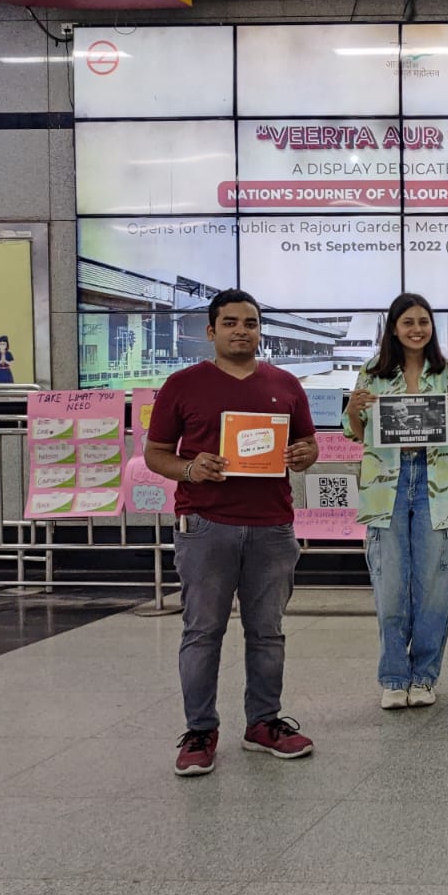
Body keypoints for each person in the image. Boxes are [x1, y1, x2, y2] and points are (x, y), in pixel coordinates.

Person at [143, 289, 319, 777]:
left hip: (272, 527)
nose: (242, 330)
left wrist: (305, 454)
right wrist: (189, 468)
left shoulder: (285, 384)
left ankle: (263, 723)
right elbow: (156, 453)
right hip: (205, 525)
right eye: (231, 322)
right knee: (203, 631)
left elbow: (307, 444)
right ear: (211, 331)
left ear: (260, 330)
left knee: (268, 632)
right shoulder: (183, 385)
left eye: (251, 323)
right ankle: (200, 730)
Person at [344, 293, 448, 711]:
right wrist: (353, 409)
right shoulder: (373, 372)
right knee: (389, 586)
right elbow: (358, 433)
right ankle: (393, 677)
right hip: (386, 483)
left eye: (423, 321)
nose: (417, 329)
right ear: (394, 328)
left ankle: (424, 677)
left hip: (435, 483)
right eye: (408, 322)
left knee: (434, 588)